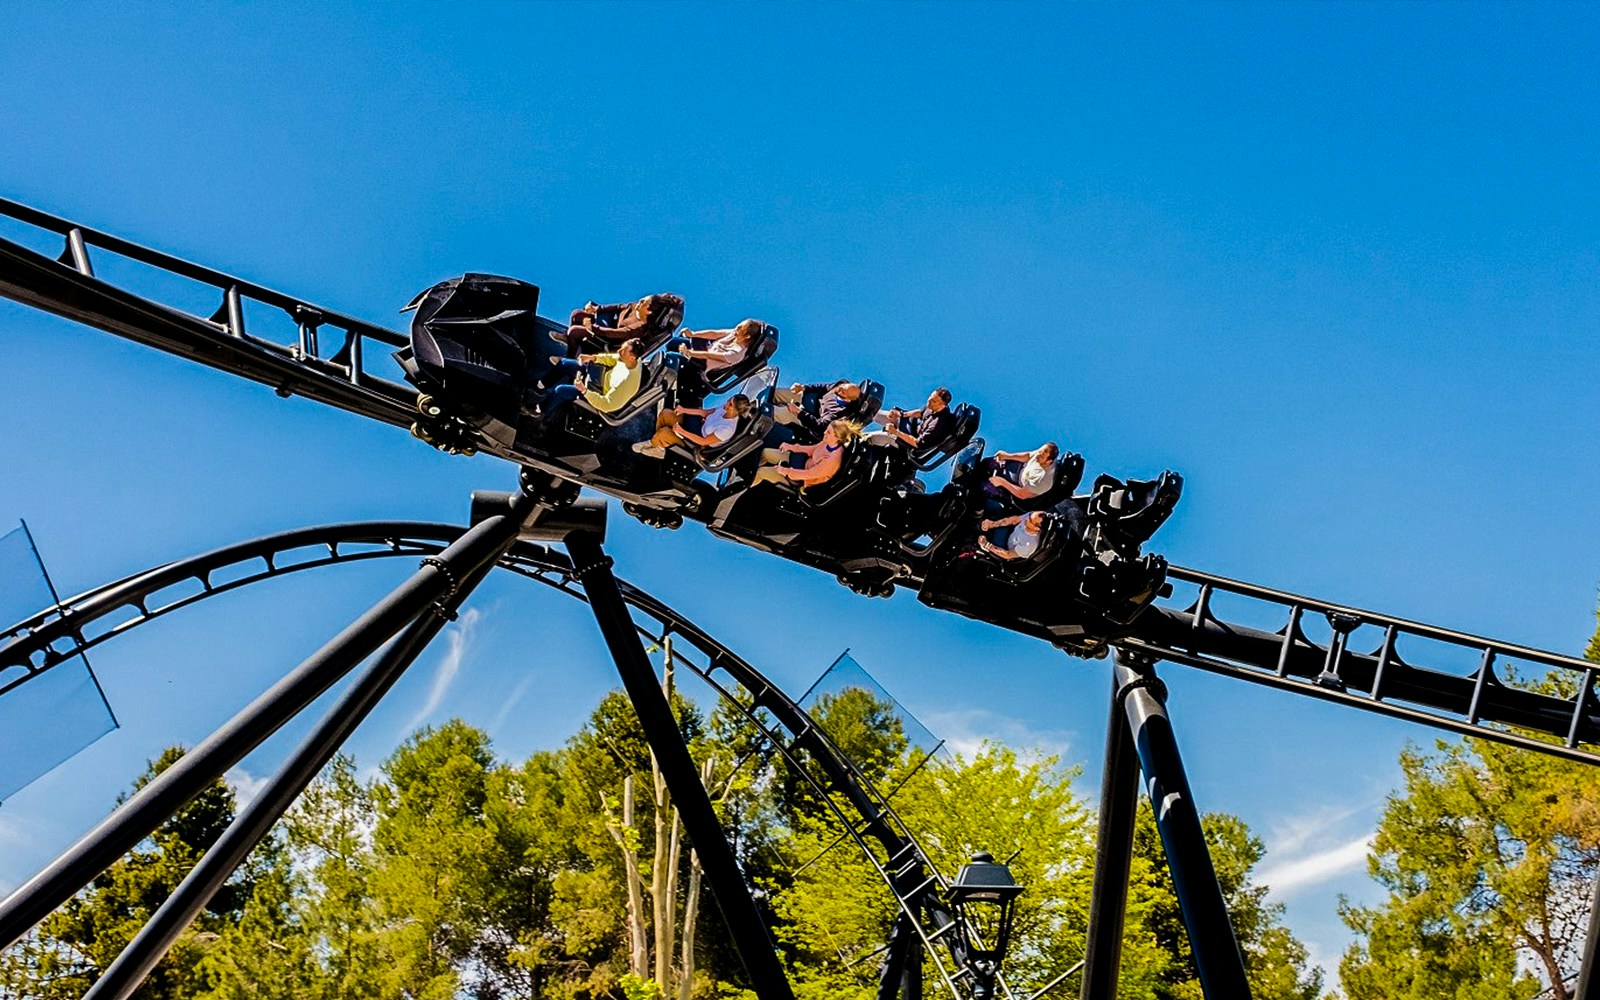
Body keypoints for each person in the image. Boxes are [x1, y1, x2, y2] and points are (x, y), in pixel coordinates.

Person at [539, 338, 645, 428]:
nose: (619, 352)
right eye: (621, 348)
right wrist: (593, 358)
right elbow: (613, 358)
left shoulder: (627, 383)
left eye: (622, 351)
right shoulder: (629, 358)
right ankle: (540, 385)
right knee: (564, 363)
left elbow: (607, 405)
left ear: (632, 357)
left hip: (598, 395)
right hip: (599, 377)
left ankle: (539, 409)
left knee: (561, 390)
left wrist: (584, 391)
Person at [556, 293, 682, 357]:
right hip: (608, 324)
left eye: (643, 302)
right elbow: (618, 307)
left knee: (574, 331)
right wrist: (596, 309)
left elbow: (616, 334)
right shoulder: (634, 307)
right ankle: (571, 342)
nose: (639, 302)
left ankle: (570, 355)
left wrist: (592, 327)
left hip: (607, 338)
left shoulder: (639, 328)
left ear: (649, 311)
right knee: (576, 314)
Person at [634, 394, 752, 458]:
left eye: (730, 404)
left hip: (697, 443)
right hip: (697, 426)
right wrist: (683, 410)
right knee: (665, 414)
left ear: (736, 411)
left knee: (665, 432)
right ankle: (659, 444)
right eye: (728, 400)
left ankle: (657, 444)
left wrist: (681, 431)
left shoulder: (727, 429)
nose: (726, 404)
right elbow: (705, 412)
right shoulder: (725, 409)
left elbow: (703, 441)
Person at [751, 419, 860, 488]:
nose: (824, 432)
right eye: (827, 429)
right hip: (801, 463)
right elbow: (811, 450)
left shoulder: (831, 461)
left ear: (837, 437)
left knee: (762, 472)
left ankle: (744, 487)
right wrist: (791, 447)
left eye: (828, 432)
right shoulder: (827, 442)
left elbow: (807, 474)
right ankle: (750, 472)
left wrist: (784, 471)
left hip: (802, 478)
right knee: (766, 452)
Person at [772, 379, 866, 442]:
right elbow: (823, 387)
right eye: (843, 386)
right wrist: (803, 387)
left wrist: (798, 412)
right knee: (778, 392)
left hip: (807, 417)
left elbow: (819, 426)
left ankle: (762, 412)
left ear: (847, 399)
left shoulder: (839, 413)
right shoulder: (840, 384)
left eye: (843, 392)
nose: (840, 389)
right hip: (809, 400)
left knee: (782, 413)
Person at [870, 387, 956, 453]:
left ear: (942, 406)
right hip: (911, 429)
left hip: (909, 445)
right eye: (930, 397)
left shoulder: (937, 424)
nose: (929, 401)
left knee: (870, 438)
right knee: (874, 413)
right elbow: (920, 413)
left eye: (933, 401)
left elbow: (918, 444)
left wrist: (896, 432)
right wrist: (901, 414)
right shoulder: (931, 406)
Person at [985, 442, 1061, 501]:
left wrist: (1001, 482)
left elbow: (1022, 494)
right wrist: (1007, 456)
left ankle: (977, 513)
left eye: (1041, 456)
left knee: (985, 488)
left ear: (1048, 462)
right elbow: (1029, 456)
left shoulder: (1044, 480)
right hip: (1019, 472)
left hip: (1018, 491)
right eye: (1039, 451)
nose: (1037, 456)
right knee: (987, 463)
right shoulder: (1041, 454)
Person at [977, 510, 1048, 561]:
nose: (1026, 519)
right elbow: (1014, 520)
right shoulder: (1031, 516)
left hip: (1003, 548)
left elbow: (1008, 555)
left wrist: (986, 545)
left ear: (1037, 528)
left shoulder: (1029, 545)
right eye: (1029, 516)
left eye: (1030, 520)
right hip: (1009, 533)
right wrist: (992, 524)